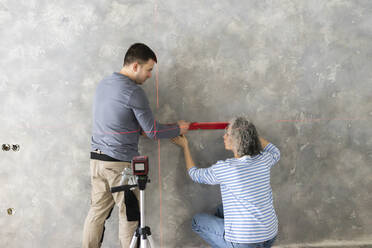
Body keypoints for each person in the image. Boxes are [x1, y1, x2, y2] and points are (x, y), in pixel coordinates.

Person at [83, 43, 190, 248]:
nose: (150, 75)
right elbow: (153, 131)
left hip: (97, 161)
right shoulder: (134, 92)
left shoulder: (104, 84)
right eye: (148, 70)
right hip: (119, 165)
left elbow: (119, 121)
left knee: (96, 214)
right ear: (134, 66)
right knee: (130, 217)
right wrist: (178, 129)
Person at [172, 117, 280, 248]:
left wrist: (185, 146)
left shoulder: (227, 168)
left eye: (227, 134)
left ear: (237, 141)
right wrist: (248, 132)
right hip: (270, 236)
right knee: (220, 210)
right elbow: (275, 151)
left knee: (197, 221)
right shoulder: (263, 160)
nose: (224, 136)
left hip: (244, 243)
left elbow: (195, 174)